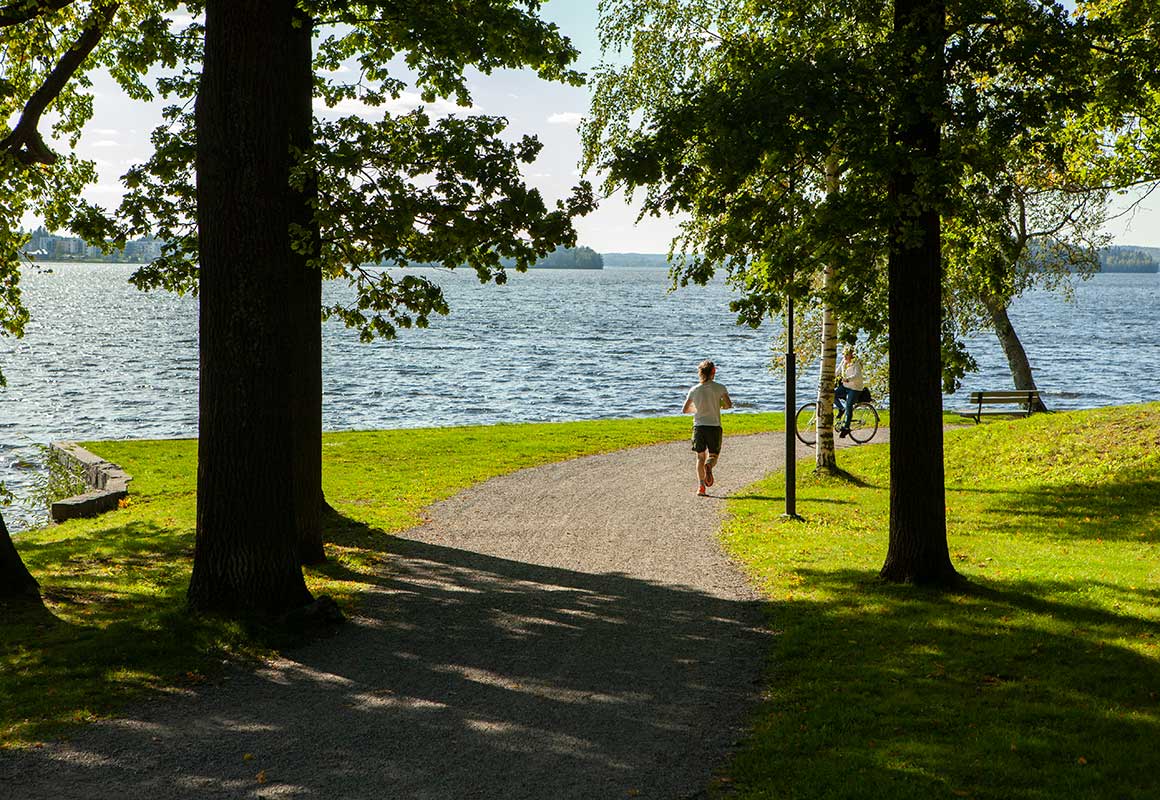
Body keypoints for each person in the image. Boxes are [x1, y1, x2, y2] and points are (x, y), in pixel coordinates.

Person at [682, 359, 733, 496]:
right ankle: (709, 465)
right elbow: (728, 405)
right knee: (713, 455)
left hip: (699, 427)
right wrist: (719, 405)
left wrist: (697, 408)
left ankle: (701, 487)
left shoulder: (694, 389)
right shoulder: (720, 387)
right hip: (714, 426)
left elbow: (685, 410)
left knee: (700, 457)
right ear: (713, 371)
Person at [834, 345, 864, 438]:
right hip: (845, 386)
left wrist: (848, 379)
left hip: (855, 388)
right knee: (832, 395)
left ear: (852, 355)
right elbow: (837, 372)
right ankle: (841, 409)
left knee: (849, 405)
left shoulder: (856, 363)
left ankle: (846, 427)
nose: (845, 356)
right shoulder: (844, 361)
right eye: (844, 354)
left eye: (847, 355)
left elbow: (857, 376)